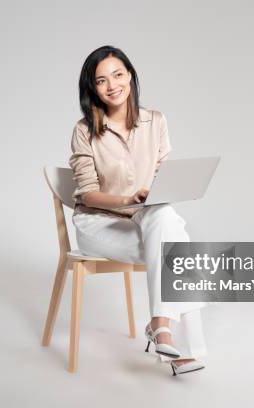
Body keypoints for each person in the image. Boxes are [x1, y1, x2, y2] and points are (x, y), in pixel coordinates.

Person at [68, 45, 208, 376]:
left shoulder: (155, 121)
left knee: (165, 220)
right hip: (99, 225)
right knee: (177, 247)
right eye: (101, 80)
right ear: (93, 88)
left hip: (145, 219)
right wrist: (128, 200)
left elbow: (163, 175)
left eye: (118, 74)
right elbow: (88, 195)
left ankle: (161, 327)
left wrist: (156, 193)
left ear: (130, 75)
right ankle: (179, 339)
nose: (112, 85)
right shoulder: (84, 130)